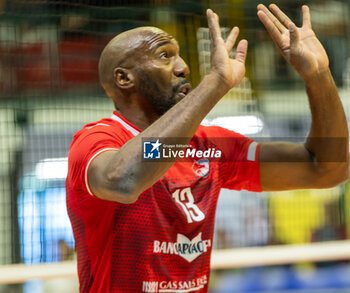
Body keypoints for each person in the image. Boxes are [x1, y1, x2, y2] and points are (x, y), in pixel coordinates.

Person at [66, 4, 349, 293]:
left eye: (179, 56)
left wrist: (319, 76)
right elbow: (124, 180)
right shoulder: (97, 140)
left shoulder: (209, 146)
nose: (183, 67)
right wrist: (215, 82)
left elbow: (326, 169)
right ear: (125, 78)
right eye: (165, 56)